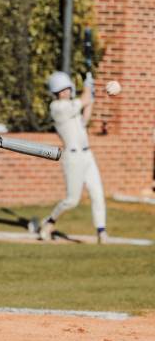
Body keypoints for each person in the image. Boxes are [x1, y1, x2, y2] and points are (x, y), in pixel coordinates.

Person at [39, 71, 108, 244]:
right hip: (72, 157)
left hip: (87, 155)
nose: (65, 92)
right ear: (56, 93)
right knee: (72, 200)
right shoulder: (58, 108)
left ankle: (101, 231)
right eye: (61, 90)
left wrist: (90, 92)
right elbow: (84, 100)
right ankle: (50, 221)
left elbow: (85, 117)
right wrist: (87, 85)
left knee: (97, 193)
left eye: (67, 88)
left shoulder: (72, 107)